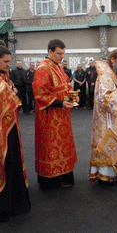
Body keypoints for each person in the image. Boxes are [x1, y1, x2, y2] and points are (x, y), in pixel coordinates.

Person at [33, 39, 78, 190]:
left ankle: (65, 176)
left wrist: (73, 95)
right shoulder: (42, 68)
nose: (61, 56)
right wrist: (60, 103)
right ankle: (50, 181)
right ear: (50, 51)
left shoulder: (58, 66)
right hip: (49, 117)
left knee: (64, 146)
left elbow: (66, 83)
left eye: (63, 53)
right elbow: (40, 94)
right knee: (51, 147)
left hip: (62, 115)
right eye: (59, 53)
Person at [89, 49, 117, 184]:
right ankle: (105, 174)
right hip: (107, 119)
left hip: (113, 116)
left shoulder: (112, 74)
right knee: (107, 143)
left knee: (114, 143)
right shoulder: (106, 76)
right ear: (113, 60)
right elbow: (105, 98)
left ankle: (113, 171)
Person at [0, 46, 30, 222]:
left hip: (9, 128)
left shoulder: (5, 78)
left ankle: (13, 203)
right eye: (5, 62)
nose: (8, 65)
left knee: (11, 161)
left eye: (9, 62)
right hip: (3, 130)